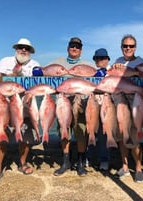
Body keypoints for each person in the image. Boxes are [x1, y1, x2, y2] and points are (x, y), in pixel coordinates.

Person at [0, 38, 40, 184]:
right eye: (21, 47)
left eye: (26, 48)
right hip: (4, 105)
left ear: (30, 51)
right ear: (16, 49)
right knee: (0, 135)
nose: (23, 50)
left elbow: (38, 82)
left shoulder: (35, 65)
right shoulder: (4, 62)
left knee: (26, 135)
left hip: (25, 106)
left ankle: (22, 163)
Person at [51, 37, 96, 176]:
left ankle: (81, 163)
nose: (74, 48)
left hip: (80, 103)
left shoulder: (87, 64)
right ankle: (66, 162)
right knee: (64, 131)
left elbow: (96, 80)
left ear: (81, 50)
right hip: (63, 103)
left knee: (81, 132)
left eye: (77, 46)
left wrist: (100, 74)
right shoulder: (58, 62)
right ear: (68, 48)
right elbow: (46, 74)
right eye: (72, 45)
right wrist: (38, 71)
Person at [112, 34, 143, 183]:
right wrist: (114, 68)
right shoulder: (117, 61)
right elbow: (112, 78)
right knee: (122, 136)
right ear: (121, 47)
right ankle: (124, 166)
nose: (128, 48)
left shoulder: (141, 63)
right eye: (125, 46)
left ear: (135, 48)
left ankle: (138, 168)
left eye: (131, 46)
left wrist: (138, 73)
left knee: (135, 137)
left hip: (135, 103)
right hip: (119, 103)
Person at [87, 48, 111, 171]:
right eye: (97, 58)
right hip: (94, 105)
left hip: (107, 107)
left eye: (102, 58)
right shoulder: (93, 73)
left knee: (103, 134)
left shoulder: (113, 72)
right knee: (91, 131)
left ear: (107, 59)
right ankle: (89, 158)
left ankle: (104, 159)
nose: (99, 60)